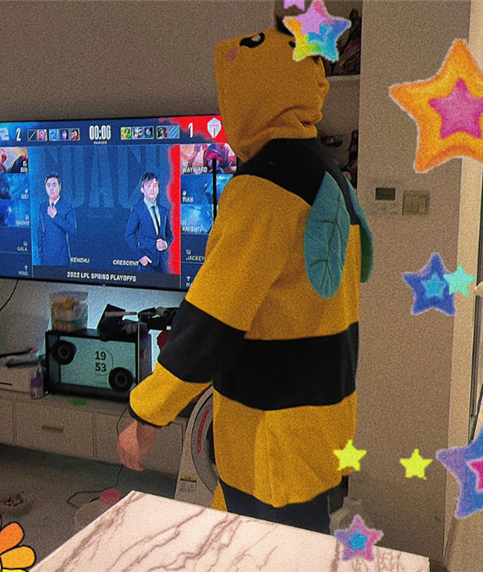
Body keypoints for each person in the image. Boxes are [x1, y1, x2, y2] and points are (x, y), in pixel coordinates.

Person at [117, 25, 373, 534]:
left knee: (270, 549)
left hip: (271, 427)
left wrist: (148, 413)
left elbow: (212, 318)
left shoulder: (262, 188)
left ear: (248, 97)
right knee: (283, 538)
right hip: (321, 417)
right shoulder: (327, 170)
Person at [125, 173, 174, 273]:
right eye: (148, 186)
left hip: (162, 264)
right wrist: (140, 256)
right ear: (142, 189)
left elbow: (169, 235)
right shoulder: (137, 210)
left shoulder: (163, 211)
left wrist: (165, 244)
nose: (152, 189)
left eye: (155, 186)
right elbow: (129, 235)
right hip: (147, 264)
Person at [38, 174, 76, 266]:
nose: (51, 188)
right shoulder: (43, 207)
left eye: (54, 185)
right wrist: (41, 253)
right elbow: (40, 231)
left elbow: (72, 229)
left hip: (61, 259)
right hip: (45, 260)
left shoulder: (67, 206)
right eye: (48, 185)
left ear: (59, 186)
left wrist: (55, 216)